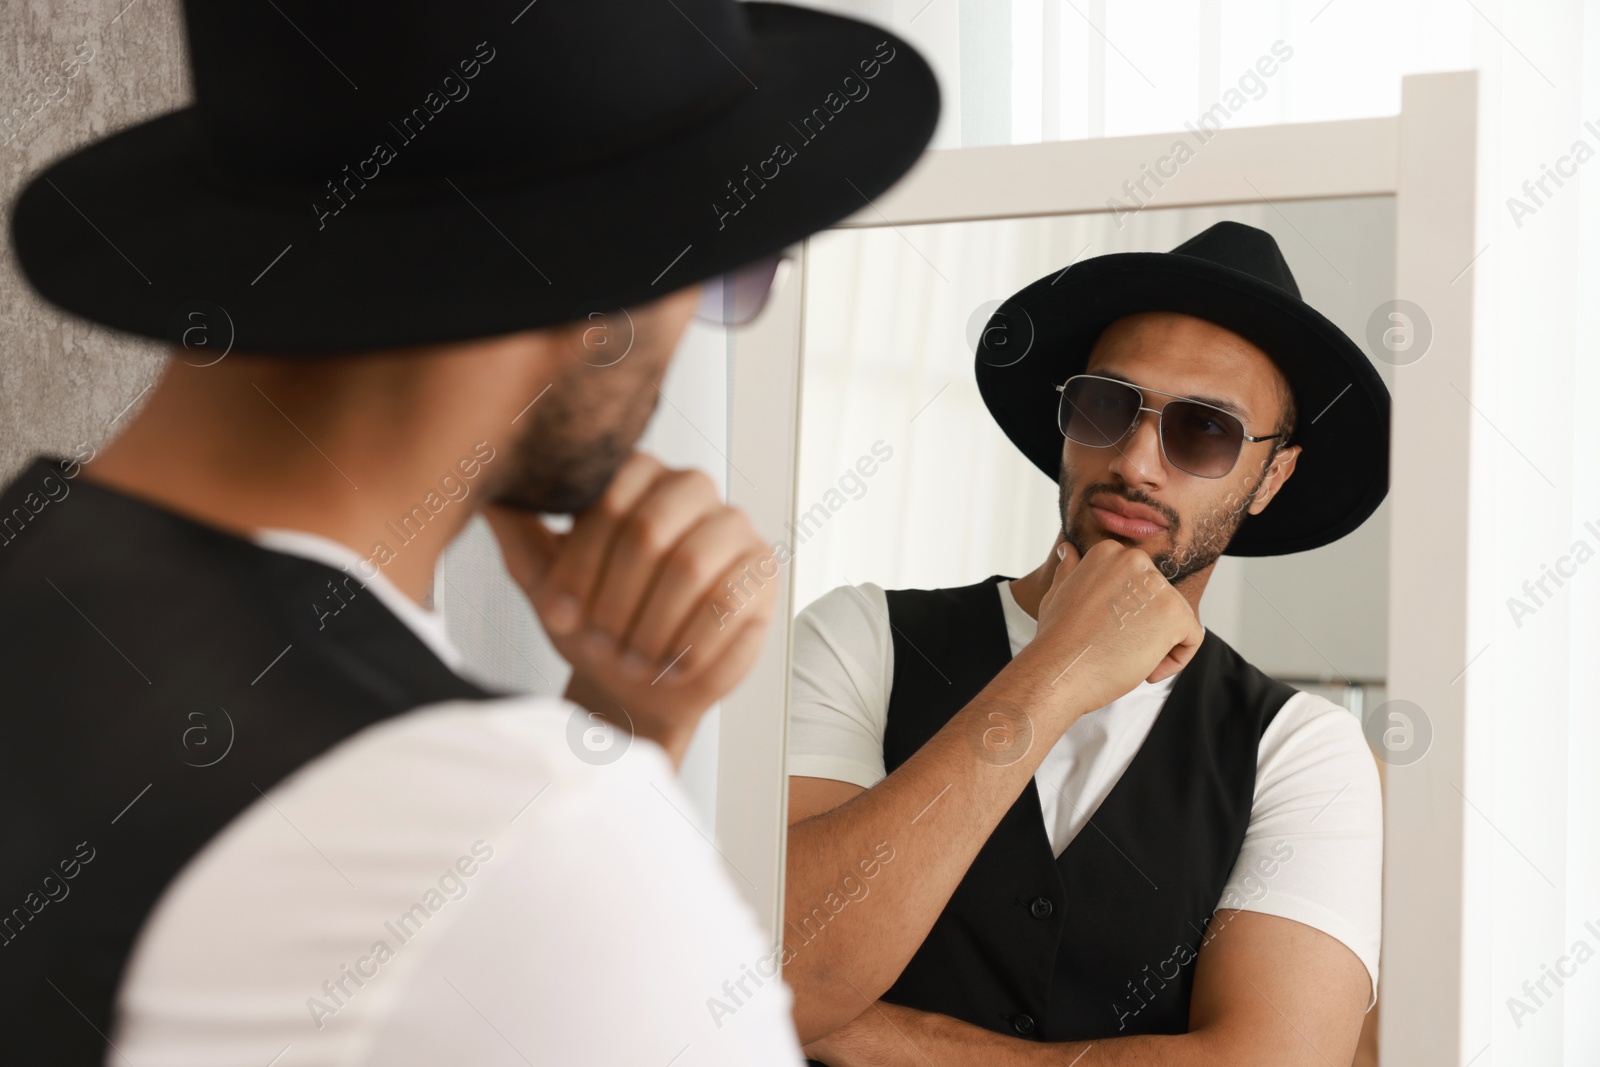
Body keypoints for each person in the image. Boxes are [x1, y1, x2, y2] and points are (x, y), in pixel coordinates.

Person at [0, 1, 939, 1063]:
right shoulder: (511, 838)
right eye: (730, 269)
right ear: (596, 275)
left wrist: (620, 727)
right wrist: (586, 794)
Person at [785, 221, 1388, 1065]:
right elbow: (775, 971)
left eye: (1204, 431)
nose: (1137, 462)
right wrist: (1055, 672)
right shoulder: (863, 639)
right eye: (1108, 405)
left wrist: (880, 1038)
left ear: (1272, 477)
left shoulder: (1301, 753)